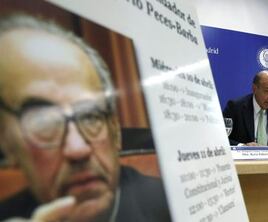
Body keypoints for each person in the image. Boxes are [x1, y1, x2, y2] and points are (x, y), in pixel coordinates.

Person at [0, 15, 170, 222]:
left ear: (115, 130)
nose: (78, 149)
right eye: (44, 122)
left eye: (90, 116)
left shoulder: (171, 206)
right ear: (7, 145)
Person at [223, 70, 268, 147]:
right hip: (244, 158)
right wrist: (242, 146)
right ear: (254, 89)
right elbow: (220, 138)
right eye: (267, 91)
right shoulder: (235, 107)